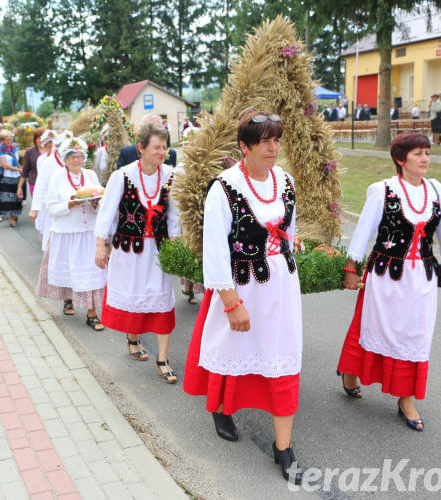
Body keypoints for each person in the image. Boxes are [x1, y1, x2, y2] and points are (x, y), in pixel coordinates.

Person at [183, 111, 305, 484]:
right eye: (265, 141)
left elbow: (289, 230)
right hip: (241, 285)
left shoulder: (285, 181)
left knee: (281, 357)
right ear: (244, 146)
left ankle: (283, 447)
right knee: (232, 349)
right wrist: (231, 302)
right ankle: (221, 407)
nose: (273, 148)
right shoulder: (224, 187)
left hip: (280, 288)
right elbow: (216, 251)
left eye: (276, 140)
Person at [337, 131, 441, 432]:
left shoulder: (437, 192)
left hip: (421, 276)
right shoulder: (383, 191)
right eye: (418, 153)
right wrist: (351, 267)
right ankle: (351, 371)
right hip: (386, 276)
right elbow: (364, 231)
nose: (424, 159)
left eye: (427, 153)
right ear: (400, 159)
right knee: (372, 327)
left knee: (416, 336)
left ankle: (405, 398)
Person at [94, 123, 181, 384]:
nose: (162, 152)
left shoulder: (172, 176)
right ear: (141, 148)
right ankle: (133, 337)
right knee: (134, 296)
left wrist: (175, 244)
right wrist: (101, 245)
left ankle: (163, 359)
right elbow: (107, 212)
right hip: (129, 250)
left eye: (165, 147)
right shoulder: (122, 176)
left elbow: (175, 215)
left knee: (162, 297)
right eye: (157, 147)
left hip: (158, 250)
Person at [37, 136, 107, 330]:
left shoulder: (91, 175)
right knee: (69, 270)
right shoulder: (58, 178)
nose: (76, 160)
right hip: (66, 232)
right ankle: (68, 299)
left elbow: (99, 198)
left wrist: (95, 203)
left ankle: (92, 314)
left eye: (79, 156)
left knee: (91, 273)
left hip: (88, 233)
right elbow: (51, 207)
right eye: (72, 157)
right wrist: (70, 203)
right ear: (66, 160)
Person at [30, 129, 65, 245]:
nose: (51, 149)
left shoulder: (65, 160)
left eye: (52, 146)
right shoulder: (44, 161)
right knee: (48, 231)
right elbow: (40, 184)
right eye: (48, 147)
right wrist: (35, 208)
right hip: (49, 200)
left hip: (64, 201)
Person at [0, 131, 22, 227]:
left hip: (16, 176)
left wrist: (21, 168)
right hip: (6, 176)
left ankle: (15, 213)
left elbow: (16, 160)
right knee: (9, 197)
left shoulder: (14, 148)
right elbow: (4, 165)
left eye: (10, 139)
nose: (10, 141)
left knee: (17, 197)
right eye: (7, 140)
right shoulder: (0, 149)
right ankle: (11, 218)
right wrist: (17, 169)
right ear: (2, 140)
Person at [18, 127, 45, 201]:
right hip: (34, 183)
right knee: (37, 206)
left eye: (43, 138)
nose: (41, 140)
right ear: (35, 139)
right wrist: (19, 187)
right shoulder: (30, 151)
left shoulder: (52, 151)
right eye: (38, 138)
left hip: (49, 184)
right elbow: (25, 170)